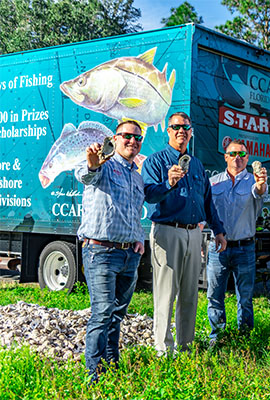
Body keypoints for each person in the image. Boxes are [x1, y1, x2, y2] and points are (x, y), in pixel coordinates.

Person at [142, 111, 226, 355]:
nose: (181, 131)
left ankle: (186, 347)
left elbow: (207, 201)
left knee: (190, 294)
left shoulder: (197, 164)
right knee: (166, 293)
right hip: (168, 232)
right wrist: (168, 183)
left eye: (186, 127)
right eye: (176, 127)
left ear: (191, 132)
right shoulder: (156, 162)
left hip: (193, 234)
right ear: (168, 131)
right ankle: (163, 350)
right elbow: (149, 195)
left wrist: (218, 230)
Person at [75, 120, 145, 382]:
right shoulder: (103, 165)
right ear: (114, 139)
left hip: (129, 255)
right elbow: (85, 175)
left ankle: (111, 367)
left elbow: (135, 213)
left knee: (117, 315)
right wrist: (93, 163)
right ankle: (93, 376)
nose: (132, 141)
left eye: (137, 138)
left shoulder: (136, 176)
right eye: (126, 136)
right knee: (102, 312)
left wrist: (138, 239)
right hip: (101, 253)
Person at [207, 139, 267, 345]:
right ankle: (217, 336)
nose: (237, 158)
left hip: (244, 247)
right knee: (214, 295)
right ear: (225, 157)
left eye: (242, 154)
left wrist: (261, 184)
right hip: (217, 249)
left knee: (245, 297)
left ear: (248, 158)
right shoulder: (213, 182)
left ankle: (244, 337)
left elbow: (259, 192)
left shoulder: (254, 181)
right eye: (233, 154)